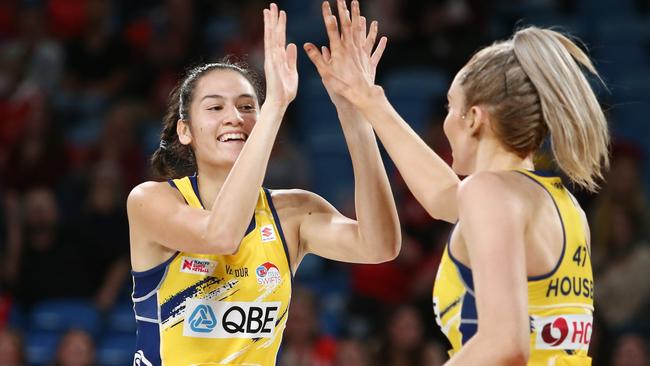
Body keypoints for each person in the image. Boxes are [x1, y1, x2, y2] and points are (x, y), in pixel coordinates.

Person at [304, 0, 609, 364]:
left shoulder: (489, 193)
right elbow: (442, 197)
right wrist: (367, 101)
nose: (445, 122)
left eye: (450, 107)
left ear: (474, 118)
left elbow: (505, 344)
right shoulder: (559, 203)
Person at [126, 3, 400, 365]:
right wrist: (274, 106)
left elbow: (380, 246)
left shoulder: (294, 211)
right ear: (185, 131)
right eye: (215, 108)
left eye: (246, 106)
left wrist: (355, 114)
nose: (235, 118)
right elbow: (221, 234)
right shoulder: (151, 200)